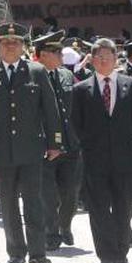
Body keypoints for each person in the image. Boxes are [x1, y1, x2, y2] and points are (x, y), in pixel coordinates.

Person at [0, 24, 61, 263]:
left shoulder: (36, 71)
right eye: (5, 42)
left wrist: (55, 142)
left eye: (15, 42)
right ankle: (16, 252)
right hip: (1, 151)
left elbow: (50, 109)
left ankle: (38, 253)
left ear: (22, 46)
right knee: (9, 203)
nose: (10, 46)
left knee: (34, 202)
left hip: (31, 149)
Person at [70, 37, 132, 263]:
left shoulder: (131, 85)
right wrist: (88, 145)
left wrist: (131, 142)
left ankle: (121, 250)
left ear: (115, 59)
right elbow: (76, 122)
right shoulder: (81, 89)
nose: (103, 61)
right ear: (92, 60)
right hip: (95, 158)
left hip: (124, 158)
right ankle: (106, 253)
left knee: (123, 205)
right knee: (99, 208)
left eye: (108, 56)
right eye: (99, 57)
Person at [34, 30, 81, 249]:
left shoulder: (66, 76)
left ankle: (65, 225)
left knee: (71, 192)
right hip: (44, 146)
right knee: (48, 195)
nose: (62, 56)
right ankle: (51, 234)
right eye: (57, 52)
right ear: (43, 54)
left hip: (70, 144)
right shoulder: (32, 77)